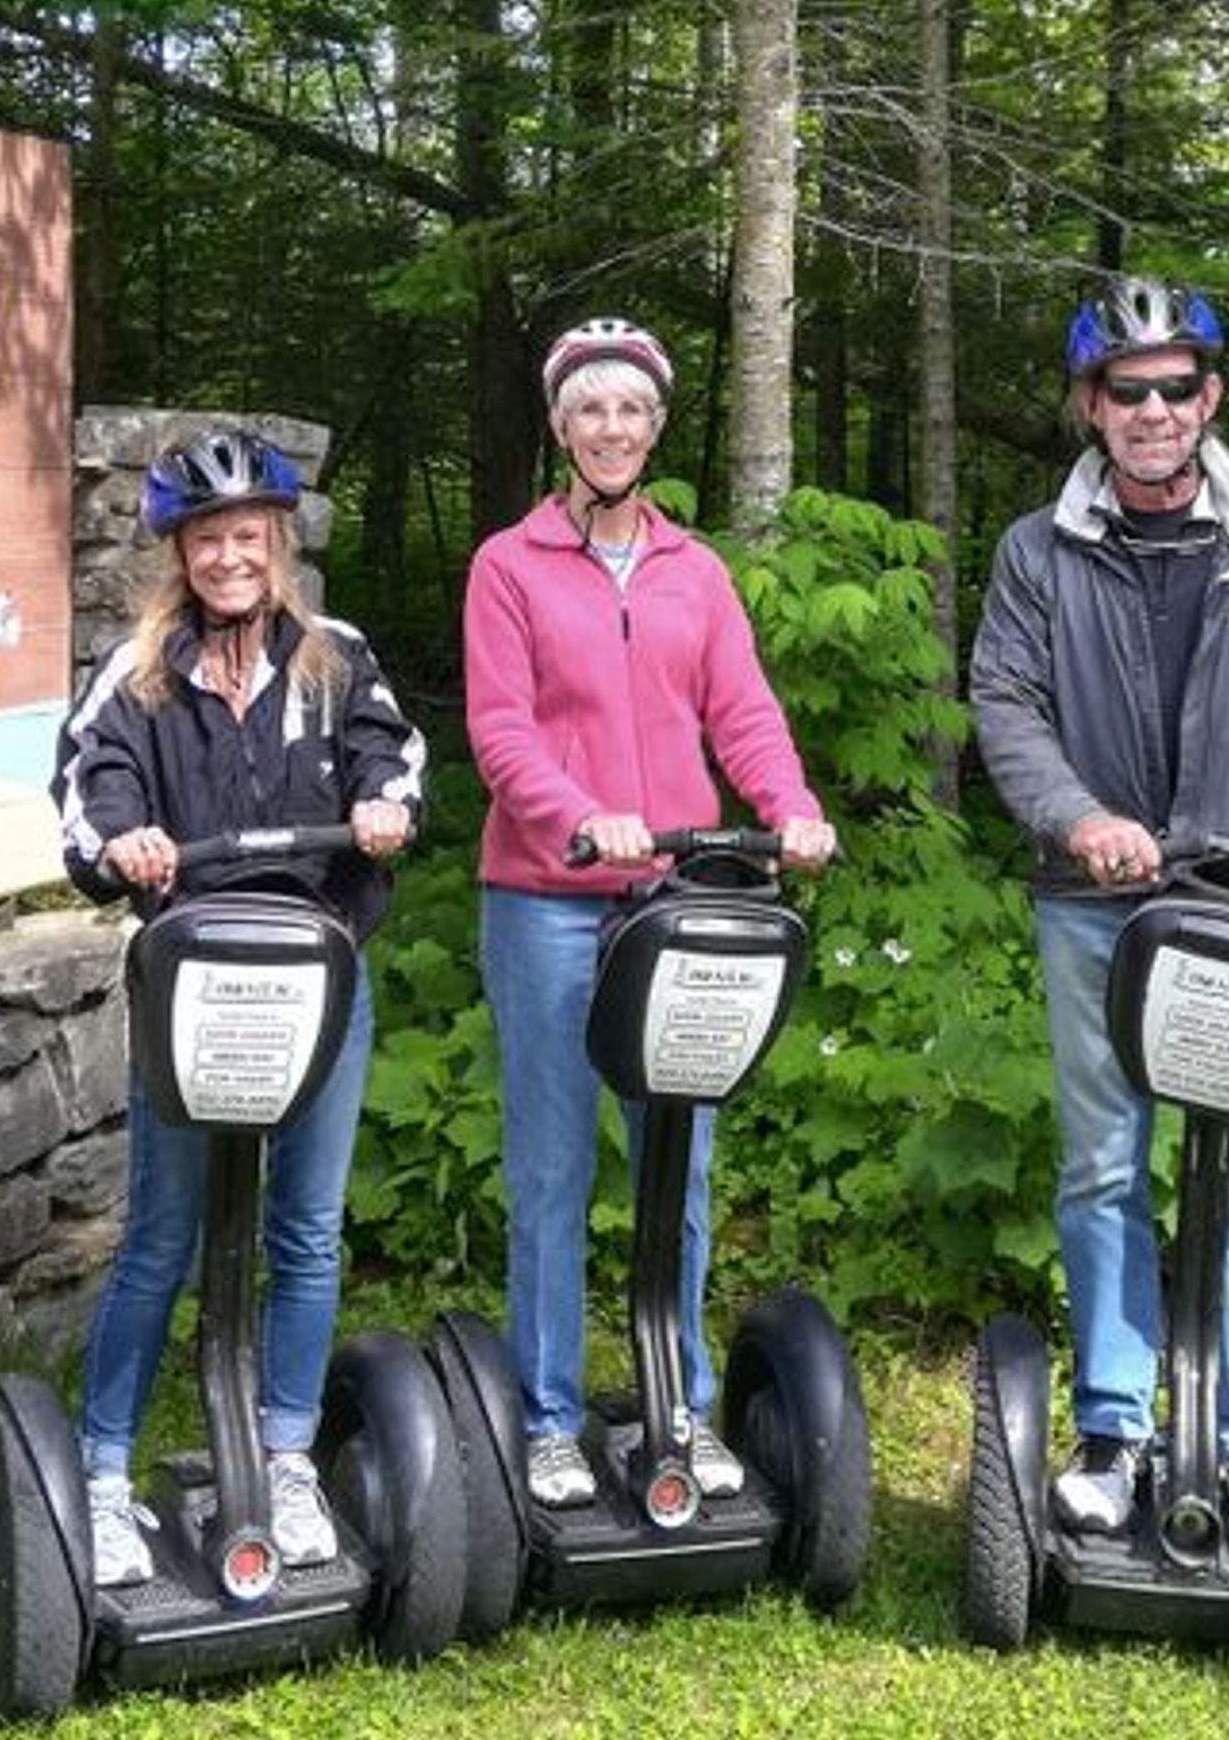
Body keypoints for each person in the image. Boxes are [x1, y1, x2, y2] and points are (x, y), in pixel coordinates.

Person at [966, 275, 1229, 1549]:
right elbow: (1007, 708)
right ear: (1090, 410)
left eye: (1174, 388)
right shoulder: (1039, 551)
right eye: (1124, 392)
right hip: (1096, 905)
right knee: (1106, 1169)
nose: (1151, 412)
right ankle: (1114, 1427)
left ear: (1208, 399)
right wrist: (1075, 819)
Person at [466, 316, 836, 1509]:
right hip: (548, 902)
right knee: (554, 1168)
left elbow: (744, 715)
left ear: (656, 427)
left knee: (677, 1159)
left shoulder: (697, 571)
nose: (611, 428)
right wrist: (579, 813)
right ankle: (550, 1415)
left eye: (631, 410)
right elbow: (500, 730)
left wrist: (792, 808)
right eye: (589, 409)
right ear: (560, 426)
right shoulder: (509, 565)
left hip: (677, 900)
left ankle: (677, 1399)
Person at [53, 428, 425, 1589]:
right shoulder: (139, 672)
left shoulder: (335, 657)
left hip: (317, 979)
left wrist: (382, 809)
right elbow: (85, 782)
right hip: (192, 987)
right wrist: (125, 839)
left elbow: (396, 757)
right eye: (208, 538)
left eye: (248, 536)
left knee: (306, 1231)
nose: (230, 556)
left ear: (279, 543)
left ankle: (288, 1455)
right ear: (181, 551)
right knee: (163, 1235)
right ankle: (104, 1474)